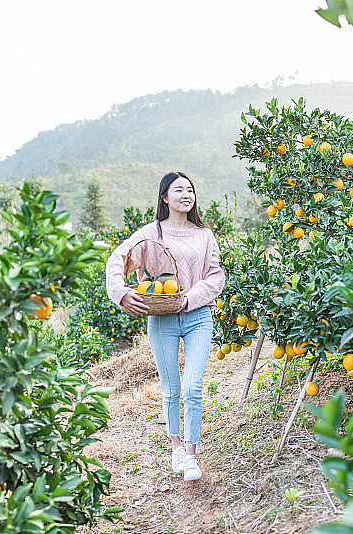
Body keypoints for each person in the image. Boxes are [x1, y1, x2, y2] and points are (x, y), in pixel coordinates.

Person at [105, 171, 226, 482]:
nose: (186, 195)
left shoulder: (204, 234)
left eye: (190, 190)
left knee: (193, 388)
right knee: (171, 389)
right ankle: (174, 448)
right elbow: (118, 259)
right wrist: (121, 293)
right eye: (178, 190)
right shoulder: (152, 234)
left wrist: (190, 298)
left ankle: (190, 455)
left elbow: (215, 277)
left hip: (198, 316)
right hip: (161, 318)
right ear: (164, 198)